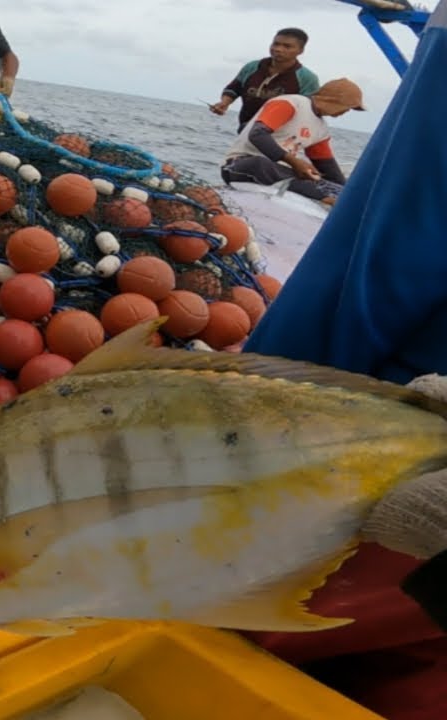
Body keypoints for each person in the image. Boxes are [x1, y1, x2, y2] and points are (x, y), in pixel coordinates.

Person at [241, 3, 447, 718]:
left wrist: (266, 392)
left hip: (367, 453)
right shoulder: (290, 102)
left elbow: (396, 250)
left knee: (261, 637)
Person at [219, 78, 364, 205]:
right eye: (347, 108)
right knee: (260, 163)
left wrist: (347, 192)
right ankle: (322, 197)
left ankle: (328, 197)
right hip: (240, 165)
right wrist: (294, 162)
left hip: (280, 172)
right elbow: (257, 135)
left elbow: (327, 166)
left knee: (321, 181)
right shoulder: (291, 103)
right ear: (334, 100)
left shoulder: (321, 129)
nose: (345, 112)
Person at [210, 28, 320, 133]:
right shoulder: (252, 67)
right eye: (276, 44)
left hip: (279, 138)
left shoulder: (307, 78)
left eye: (287, 46)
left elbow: (309, 113)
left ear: (300, 50)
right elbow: (234, 89)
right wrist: (224, 103)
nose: (278, 49)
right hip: (245, 130)